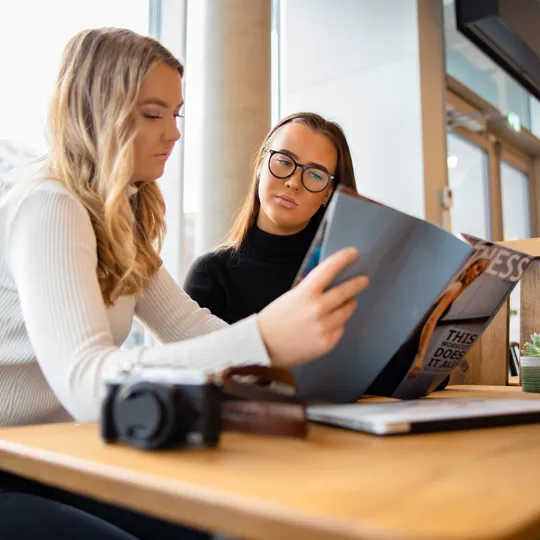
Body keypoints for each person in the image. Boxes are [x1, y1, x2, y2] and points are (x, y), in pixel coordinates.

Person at [0, 28, 368, 539]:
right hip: (17, 465)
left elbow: (189, 326)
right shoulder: (48, 204)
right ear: (97, 112)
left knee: (224, 526)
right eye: (153, 114)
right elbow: (87, 383)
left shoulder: (116, 216)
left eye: (175, 115)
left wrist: (291, 377)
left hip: (55, 458)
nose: (173, 134)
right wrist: (263, 337)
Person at [184, 112, 358, 323]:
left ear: (329, 193)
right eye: (284, 162)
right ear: (260, 166)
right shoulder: (211, 274)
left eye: (315, 175)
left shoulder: (343, 277)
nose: (294, 183)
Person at [407, 257, 489, 378]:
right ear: (471, 265)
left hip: (412, 342)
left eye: (480, 273)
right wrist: (421, 357)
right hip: (410, 343)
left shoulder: (457, 287)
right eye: (477, 268)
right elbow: (431, 321)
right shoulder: (456, 287)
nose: (476, 274)